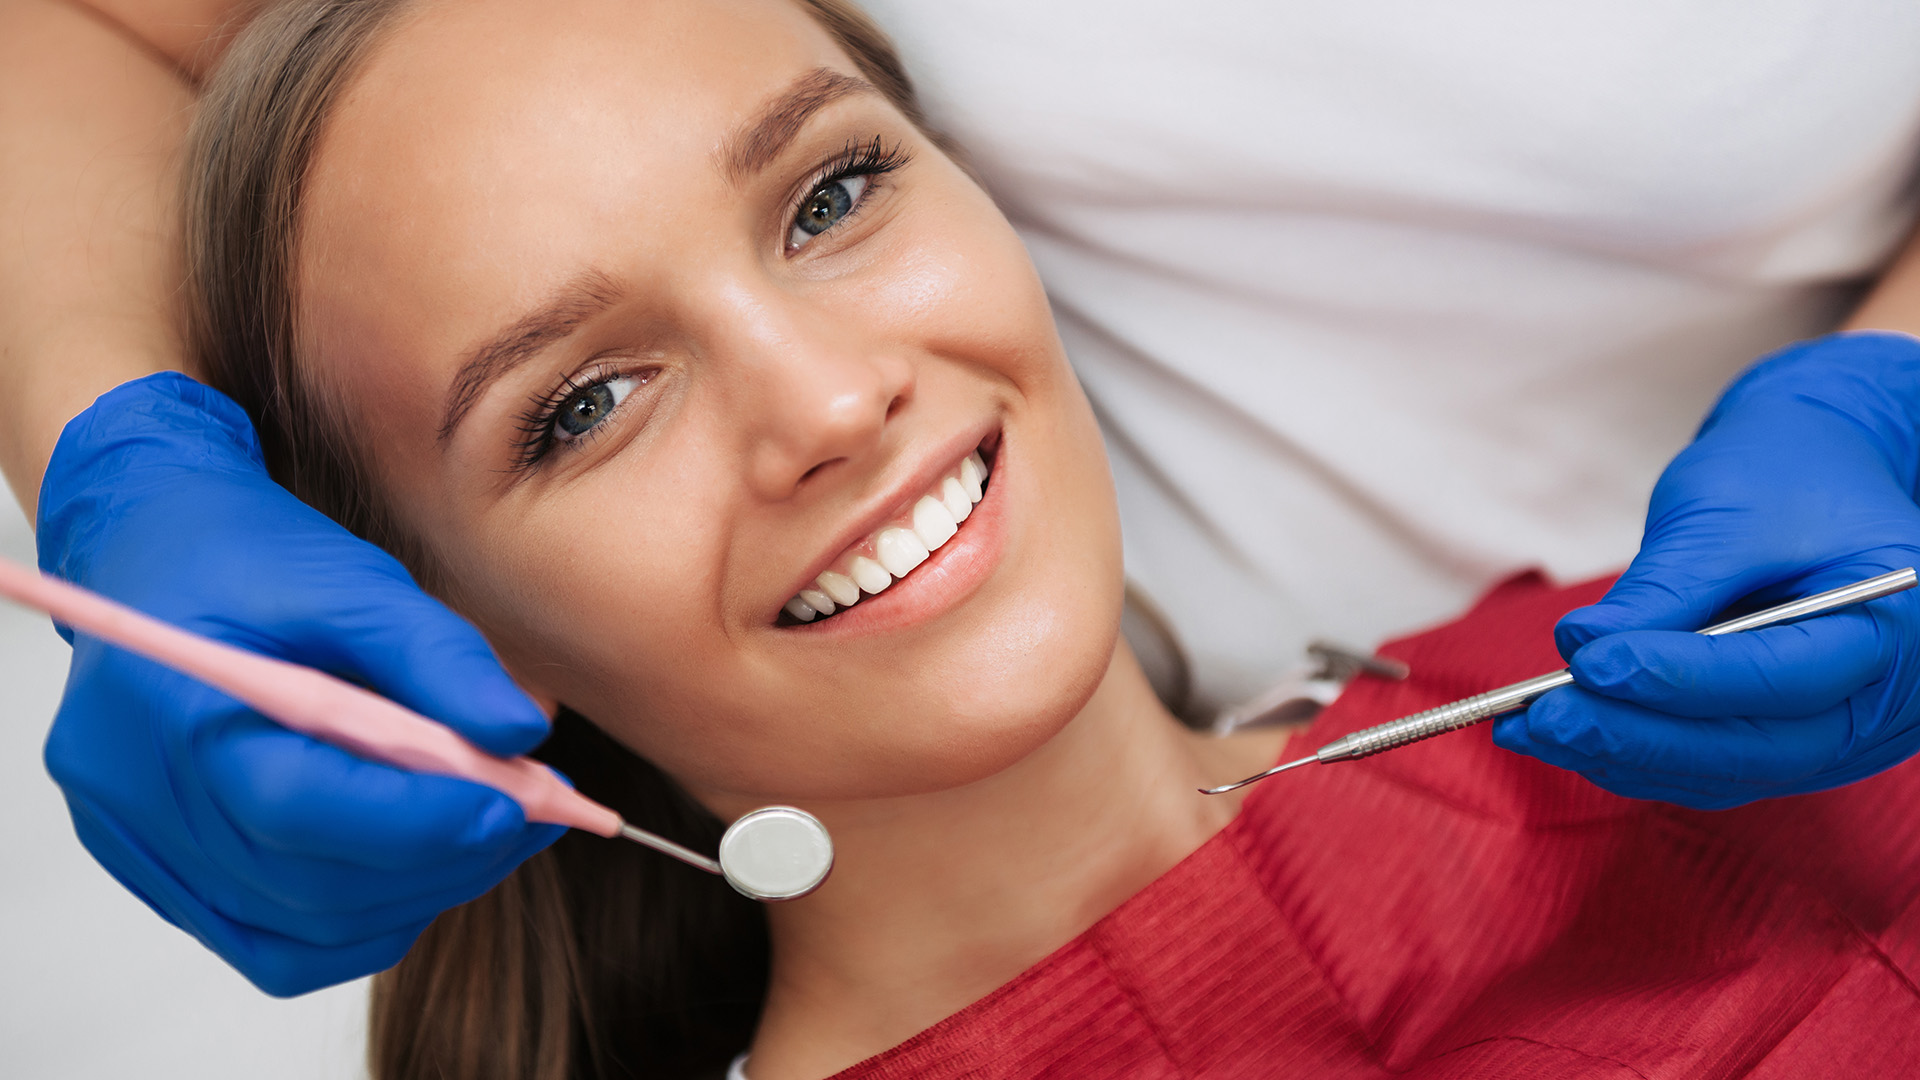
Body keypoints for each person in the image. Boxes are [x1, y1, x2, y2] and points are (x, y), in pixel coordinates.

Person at [3, 0, 1919, 1001]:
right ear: (432, 614)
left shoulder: (1750, 786)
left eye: (833, 198)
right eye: (583, 406)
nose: (830, 402)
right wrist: (117, 465)